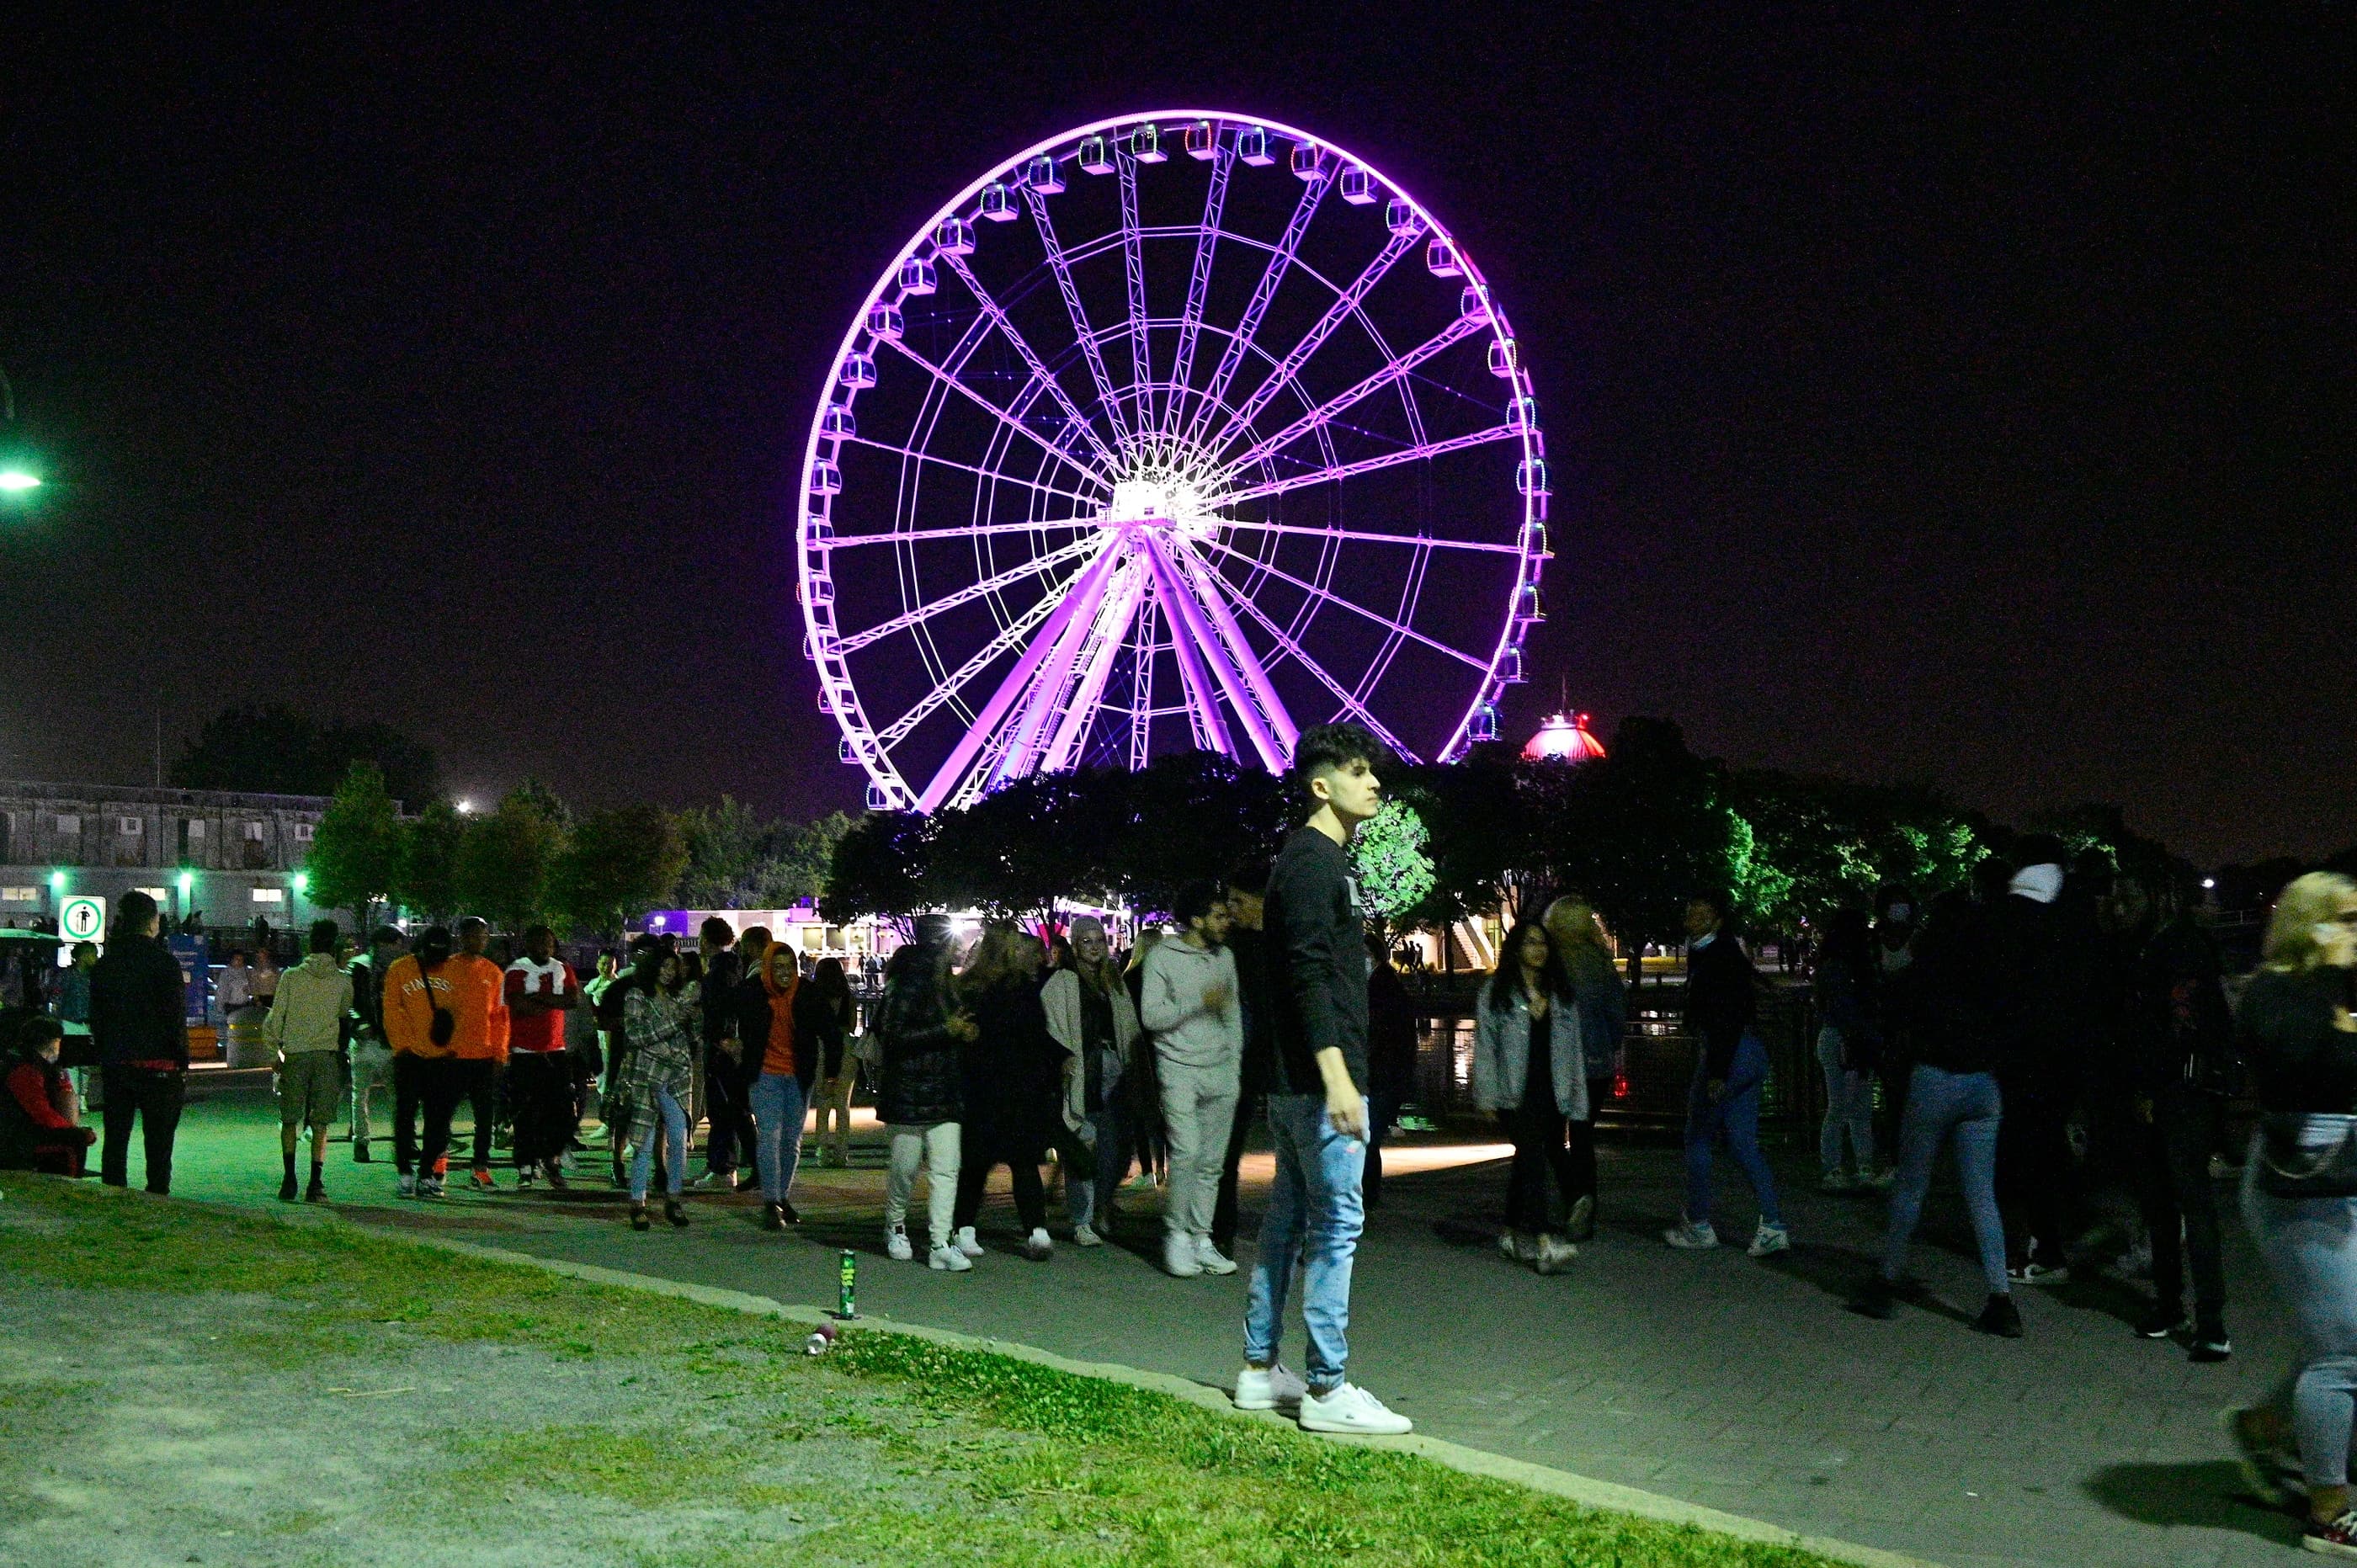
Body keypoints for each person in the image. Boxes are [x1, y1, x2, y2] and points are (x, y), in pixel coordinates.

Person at [1238, 722, 1413, 1437]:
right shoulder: (1313, 866)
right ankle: (1326, 1385)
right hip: (1320, 1080)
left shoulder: (1305, 862)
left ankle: (1257, 1369)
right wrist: (1340, 1077)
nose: (1374, 782)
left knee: (1287, 1218)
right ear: (1321, 785)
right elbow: (1311, 976)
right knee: (1337, 1224)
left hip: (1291, 1078)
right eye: (1357, 771)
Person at [2225, 872, 2357, 1554]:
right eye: (2348, 917)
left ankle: (2265, 1429)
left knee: (2337, 1340)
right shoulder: (2275, 991)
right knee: (2345, 1350)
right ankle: (2328, 1510)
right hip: (2301, 1183)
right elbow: (2301, 1063)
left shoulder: (2341, 990)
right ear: (2312, 924)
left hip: (2347, 1171)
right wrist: (2336, 1008)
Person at [1852, 890, 2020, 1336]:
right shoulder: (1994, 969)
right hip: (1984, 1085)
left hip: (1936, 1079)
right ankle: (2001, 1299)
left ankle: (1886, 1282)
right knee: (1981, 1195)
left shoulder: (1925, 969)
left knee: (1911, 1186)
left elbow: (1893, 1015)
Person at [2125, 890, 2235, 1359]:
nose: (2118, 907)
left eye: (2128, 897)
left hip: (2180, 1094)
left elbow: (2179, 1025)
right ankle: (2172, 1306)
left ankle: (2210, 1322)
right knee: (2163, 1204)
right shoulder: (2166, 944)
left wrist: (2151, 1085)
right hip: (2170, 1091)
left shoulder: (2177, 948)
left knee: (2189, 1205)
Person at [1665, 891, 1787, 1257]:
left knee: (1698, 1139)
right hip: (1749, 1052)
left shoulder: (1712, 957)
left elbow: (1723, 1016)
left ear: (1716, 919)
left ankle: (1700, 1224)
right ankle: (1773, 1224)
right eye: (1690, 908)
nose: (1690, 915)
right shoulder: (1724, 951)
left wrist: (1717, 1070)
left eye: (1699, 910)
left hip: (1727, 1055)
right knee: (1744, 1143)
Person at [1992, 837, 2085, 1283]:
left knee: (2029, 1152)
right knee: (2051, 1148)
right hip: (2068, 1053)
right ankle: (2055, 1240)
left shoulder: (2011, 917)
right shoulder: (2074, 913)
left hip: (2022, 1055)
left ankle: (2043, 1248)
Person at [1141, 882, 1245, 1277]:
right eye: (1219, 915)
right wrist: (1199, 1000)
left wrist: (1234, 1070)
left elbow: (1232, 1017)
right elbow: (1151, 1017)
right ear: (1196, 920)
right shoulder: (1161, 958)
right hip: (1178, 1068)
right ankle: (1176, 1236)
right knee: (1186, 1153)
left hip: (1220, 1070)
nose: (1227, 921)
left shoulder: (1226, 958)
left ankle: (1202, 1237)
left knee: (1212, 1162)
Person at [1473, 917, 1584, 1273]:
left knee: (1527, 1161)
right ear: (1516, 949)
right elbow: (1486, 1047)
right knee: (1534, 1157)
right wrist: (1487, 1095)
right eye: (1531, 943)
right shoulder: (1496, 992)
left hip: (1551, 1090)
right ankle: (1543, 1242)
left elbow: (1574, 1049)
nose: (1539, 950)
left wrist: (1575, 1094)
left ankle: (1508, 1233)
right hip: (1513, 1092)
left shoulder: (1561, 993)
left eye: (1543, 943)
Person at [951, 924, 1069, 1262]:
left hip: (1003, 1087)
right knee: (994, 1162)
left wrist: (1058, 1056)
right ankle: (981, 1228)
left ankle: (1026, 1229)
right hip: (994, 1087)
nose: (1025, 953)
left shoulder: (1011, 988)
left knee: (1005, 1161)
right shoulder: (985, 989)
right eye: (1017, 947)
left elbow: (1036, 1034)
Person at [875, 919, 972, 1270]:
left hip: (945, 1089)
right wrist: (945, 1031)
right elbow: (894, 1037)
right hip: (908, 1091)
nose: (957, 948)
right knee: (905, 1169)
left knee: (947, 1170)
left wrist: (964, 1033)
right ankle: (896, 1226)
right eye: (952, 942)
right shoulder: (908, 983)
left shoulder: (948, 984)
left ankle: (940, 1243)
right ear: (938, 944)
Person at [1041, 914, 1141, 1246]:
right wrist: (1062, 1059)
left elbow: (1129, 1027)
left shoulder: (1114, 981)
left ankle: (1101, 1207)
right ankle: (1082, 1220)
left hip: (1115, 1069)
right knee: (1083, 1146)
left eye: (1099, 940)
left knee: (1116, 1148)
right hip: (1083, 1072)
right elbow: (1054, 1028)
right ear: (1075, 944)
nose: (1094, 947)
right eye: (1087, 940)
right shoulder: (1063, 982)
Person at [89, 890, 189, 1195]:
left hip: (118, 1064)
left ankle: (113, 1193)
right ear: (151, 922)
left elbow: (98, 1016)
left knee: (116, 1139)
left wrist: (107, 1052)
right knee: (159, 1144)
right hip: (159, 1067)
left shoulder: (106, 964)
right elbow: (175, 1017)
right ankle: (156, 1196)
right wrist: (181, 1061)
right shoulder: (165, 964)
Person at [736, 939, 837, 1230]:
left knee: (792, 1141)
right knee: (769, 1136)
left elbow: (831, 1034)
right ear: (767, 968)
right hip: (765, 1075)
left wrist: (831, 1075)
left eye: (790, 966)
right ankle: (770, 1202)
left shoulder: (808, 994)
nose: (785, 973)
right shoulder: (752, 992)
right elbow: (720, 1010)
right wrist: (724, 1039)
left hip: (797, 1077)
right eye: (778, 967)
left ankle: (783, 1196)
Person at [1542, 896, 1628, 1239]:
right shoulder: (1602, 964)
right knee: (1582, 1135)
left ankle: (1575, 1197)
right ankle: (1586, 1206)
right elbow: (1617, 1017)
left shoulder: (1552, 963)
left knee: (1550, 1134)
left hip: (1558, 1061)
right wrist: (1608, 1046)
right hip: (1597, 1063)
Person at [263, 919, 353, 1204]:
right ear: (334, 946)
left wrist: (275, 1052)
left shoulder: (291, 977)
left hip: (296, 1055)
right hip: (326, 1056)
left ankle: (289, 1179)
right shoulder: (342, 980)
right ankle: (316, 1183)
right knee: (321, 1122)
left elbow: (275, 1020)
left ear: (310, 943)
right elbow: (344, 1012)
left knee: (289, 1119)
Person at [1211, 860, 1274, 1262]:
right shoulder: (1230, 948)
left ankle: (1297, 1232)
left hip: (1275, 1060)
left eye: (1237, 900)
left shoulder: (1281, 942)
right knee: (1226, 1151)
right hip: (1237, 1062)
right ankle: (1221, 1231)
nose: (1231, 909)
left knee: (1297, 1153)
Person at [619, 938, 697, 1230]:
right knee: (644, 1141)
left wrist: (692, 1018)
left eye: (674, 968)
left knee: (679, 1137)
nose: (669, 972)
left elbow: (688, 1036)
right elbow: (637, 1035)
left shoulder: (679, 998)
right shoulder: (637, 995)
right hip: (646, 1076)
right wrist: (674, 1022)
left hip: (675, 1077)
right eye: (664, 966)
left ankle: (673, 1198)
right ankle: (637, 1203)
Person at [381, 925, 463, 1199]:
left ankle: (426, 1172)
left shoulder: (453, 971)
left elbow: (461, 1012)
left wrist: (453, 1047)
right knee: (404, 1117)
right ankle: (405, 1171)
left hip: (444, 1058)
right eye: (432, 956)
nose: (437, 962)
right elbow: (391, 1009)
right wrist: (402, 1046)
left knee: (438, 1120)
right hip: (409, 1057)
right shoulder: (400, 969)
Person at [503, 924, 580, 1189]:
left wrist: (538, 998)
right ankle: (526, 1166)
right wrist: (551, 1000)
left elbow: (572, 1001)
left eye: (548, 942)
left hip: (556, 1051)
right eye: (538, 942)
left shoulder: (562, 969)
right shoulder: (516, 971)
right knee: (526, 1114)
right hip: (524, 1053)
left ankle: (552, 1159)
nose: (544, 947)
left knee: (562, 1112)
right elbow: (520, 1006)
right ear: (527, 945)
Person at [1813, 906, 1884, 1192]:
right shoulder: (1850, 966)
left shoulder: (1834, 964)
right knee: (1851, 1108)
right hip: (1846, 1039)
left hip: (1842, 1037)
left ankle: (1839, 1167)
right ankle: (1852, 1166)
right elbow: (1847, 1007)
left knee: (1845, 1107)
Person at [444, 917, 513, 1191]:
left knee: (484, 1119)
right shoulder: (447, 969)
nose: (480, 940)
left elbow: (501, 1018)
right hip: (452, 1056)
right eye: (474, 935)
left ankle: (480, 1169)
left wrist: (500, 1054)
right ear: (461, 937)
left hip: (484, 1057)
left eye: (484, 936)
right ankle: (439, 1167)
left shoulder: (494, 973)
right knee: (443, 1115)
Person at [694, 917, 754, 1192]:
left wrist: (720, 1039)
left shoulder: (720, 972)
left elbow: (719, 1012)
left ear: (707, 939)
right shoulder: (733, 968)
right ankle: (721, 1164)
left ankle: (724, 1168)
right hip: (725, 1046)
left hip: (721, 1049)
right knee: (726, 1109)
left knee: (723, 1110)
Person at [0, 1015, 96, 1177]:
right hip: (16, 1137)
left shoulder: (33, 1065)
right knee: (76, 1140)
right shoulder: (25, 1070)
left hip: (21, 1130)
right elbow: (42, 1113)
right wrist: (75, 1131)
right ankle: (68, 1184)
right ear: (53, 1043)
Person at [1362, 935, 1417, 1210]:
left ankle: (1366, 1197)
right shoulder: (1386, 984)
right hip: (1386, 1075)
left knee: (1367, 1141)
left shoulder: (1380, 987)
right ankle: (1367, 1197)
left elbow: (1378, 1037)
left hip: (1380, 1076)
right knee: (1368, 1140)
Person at [346, 927, 404, 1163]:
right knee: (363, 1094)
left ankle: (397, 1141)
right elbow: (348, 1000)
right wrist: (360, 1025)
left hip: (386, 1040)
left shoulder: (396, 967)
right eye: (396, 944)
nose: (398, 949)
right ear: (383, 944)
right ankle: (362, 1141)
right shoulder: (360, 966)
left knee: (387, 1094)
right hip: (369, 1039)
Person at [807, 957, 859, 1167]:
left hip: (821, 1047)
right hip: (846, 1048)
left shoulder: (814, 997)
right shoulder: (848, 997)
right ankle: (841, 1152)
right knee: (842, 1105)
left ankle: (822, 1150)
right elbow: (853, 1026)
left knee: (823, 1102)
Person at [51, 939, 97, 1107]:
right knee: (71, 1064)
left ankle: (82, 1097)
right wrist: (56, 1022)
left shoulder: (94, 977)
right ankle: (74, 1097)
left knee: (85, 1065)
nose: (95, 958)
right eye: (93, 954)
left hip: (88, 1025)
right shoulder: (67, 976)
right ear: (83, 956)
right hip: (69, 1023)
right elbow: (57, 999)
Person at [216, 949, 256, 1018]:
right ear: (232, 960)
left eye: (241, 959)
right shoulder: (226, 973)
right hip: (231, 1005)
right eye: (237, 959)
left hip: (244, 1004)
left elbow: (252, 986)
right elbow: (221, 990)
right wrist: (220, 1006)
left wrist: (248, 990)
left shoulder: (247, 971)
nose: (239, 962)